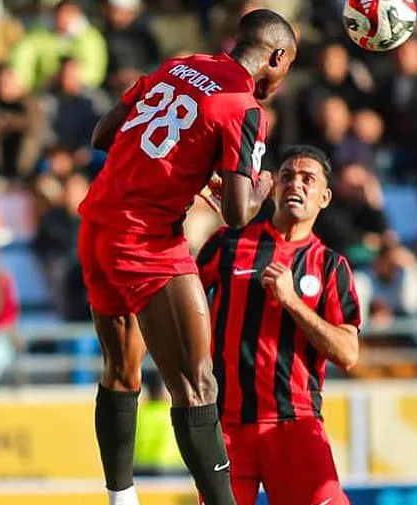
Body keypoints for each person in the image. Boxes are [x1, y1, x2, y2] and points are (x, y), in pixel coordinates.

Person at [76, 8, 297, 505]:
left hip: (97, 224)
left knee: (120, 370)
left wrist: (186, 170)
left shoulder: (178, 66)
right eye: (287, 68)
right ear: (277, 57)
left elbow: (102, 136)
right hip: (146, 240)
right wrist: (262, 186)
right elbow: (239, 213)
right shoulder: (243, 106)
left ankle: (121, 497)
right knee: (198, 386)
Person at [196, 145, 361, 505]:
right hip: (226, 426)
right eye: (287, 177)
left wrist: (292, 302)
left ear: (325, 197)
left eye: (308, 179)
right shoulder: (227, 244)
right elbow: (182, 297)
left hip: (295, 423)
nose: (295, 185)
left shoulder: (331, 267)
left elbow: (348, 353)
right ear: (272, 189)